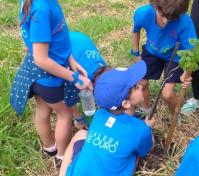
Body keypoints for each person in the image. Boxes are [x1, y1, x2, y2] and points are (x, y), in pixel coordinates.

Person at [10, 0, 92, 170]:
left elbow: (55, 38)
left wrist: (71, 59)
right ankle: (61, 156)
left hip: (37, 73)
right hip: (49, 76)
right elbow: (42, 59)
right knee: (65, 114)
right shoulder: (41, 10)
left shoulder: (37, 3)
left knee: (43, 110)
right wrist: (74, 78)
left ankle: (49, 148)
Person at [59, 61, 156, 176]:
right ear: (125, 103)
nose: (141, 85)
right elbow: (148, 148)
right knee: (135, 153)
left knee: (81, 134)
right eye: (135, 87)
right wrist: (148, 128)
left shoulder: (99, 114)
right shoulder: (141, 129)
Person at [131, 0, 196, 116]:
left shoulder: (185, 22)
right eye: (163, 16)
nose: (166, 21)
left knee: (167, 94)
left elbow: (191, 51)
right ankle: (146, 110)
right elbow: (135, 31)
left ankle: (175, 115)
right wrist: (136, 54)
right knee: (141, 82)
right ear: (155, 6)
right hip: (152, 50)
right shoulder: (143, 13)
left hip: (176, 56)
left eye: (171, 19)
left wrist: (186, 72)